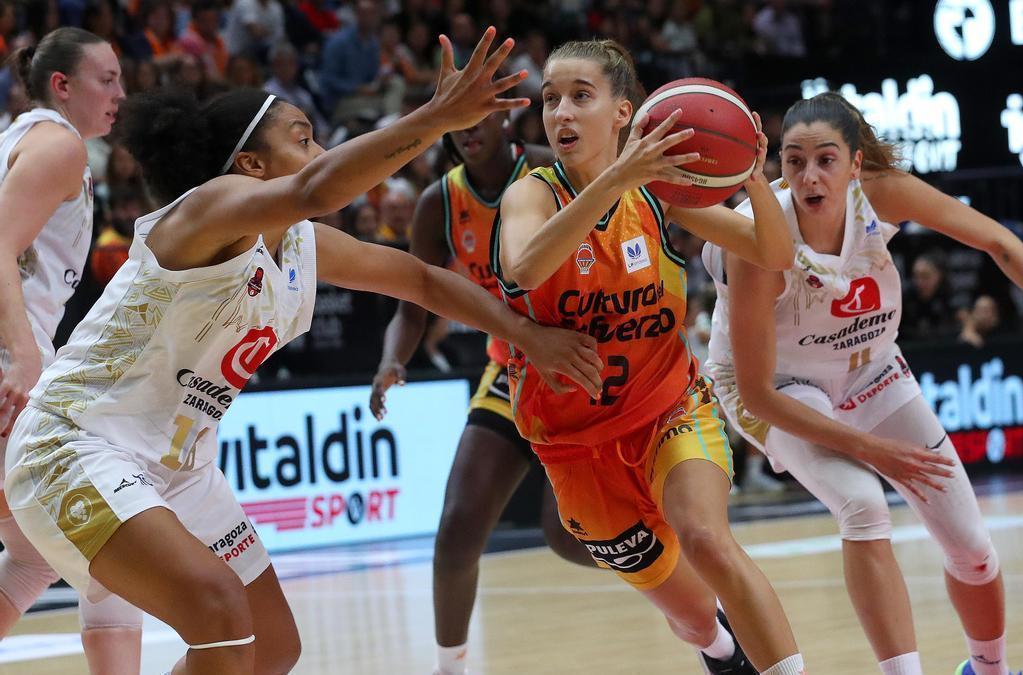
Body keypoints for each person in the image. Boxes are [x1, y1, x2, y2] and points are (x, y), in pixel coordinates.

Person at [5, 28, 601, 675]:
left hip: (179, 467)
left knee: (272, 645)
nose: (320, 151)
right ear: (251, 167)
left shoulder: (303, 248)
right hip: (75, 441)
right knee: (217, 608)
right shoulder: (207, 209)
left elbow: (423, 280)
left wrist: (530, 337)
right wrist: (434, 119)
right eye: (302, 138)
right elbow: (320, 187)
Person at [704, 91, 1023, 675]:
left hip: (869, 367)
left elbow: (996, 240)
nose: (809, 176)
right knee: (865, 503)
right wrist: (868, 449)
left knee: (971, 549)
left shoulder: (883, 195)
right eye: (794, 161)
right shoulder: (756, 241)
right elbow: (761, 394)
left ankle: (988, 670)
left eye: (825, 159)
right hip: (773, 386)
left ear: (855, 165)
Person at [493, 39, 807, 675]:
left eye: (581, 96)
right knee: (691, 616)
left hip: (669, 407)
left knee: (707, 539)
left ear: (623, 115)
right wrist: (618, 176)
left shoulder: (659, 197)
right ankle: (721, 653)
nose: (561, 113)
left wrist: (750, 178)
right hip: (573, 446)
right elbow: (524, 268)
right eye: (551, 99)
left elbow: (771, 253)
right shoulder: (530, 195)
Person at [370, 108, 596, 675]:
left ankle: (691, 596)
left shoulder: (550, 171)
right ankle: (451, 669)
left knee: (569, 537)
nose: (467, 132)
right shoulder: (438, 202)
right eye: (458, 124)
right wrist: (392, 360)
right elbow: (412, 303)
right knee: (457, 527)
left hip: (582, 367)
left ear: (505, 123)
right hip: (512, 370)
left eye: (478, 121)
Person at [0, 26, 144, 675]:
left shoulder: (25, 136)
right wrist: (28, 355)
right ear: (63, 86)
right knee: (112, 546)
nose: (120, 91)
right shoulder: (58, 145)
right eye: (106, 79)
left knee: (34, 554)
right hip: (13, 367)